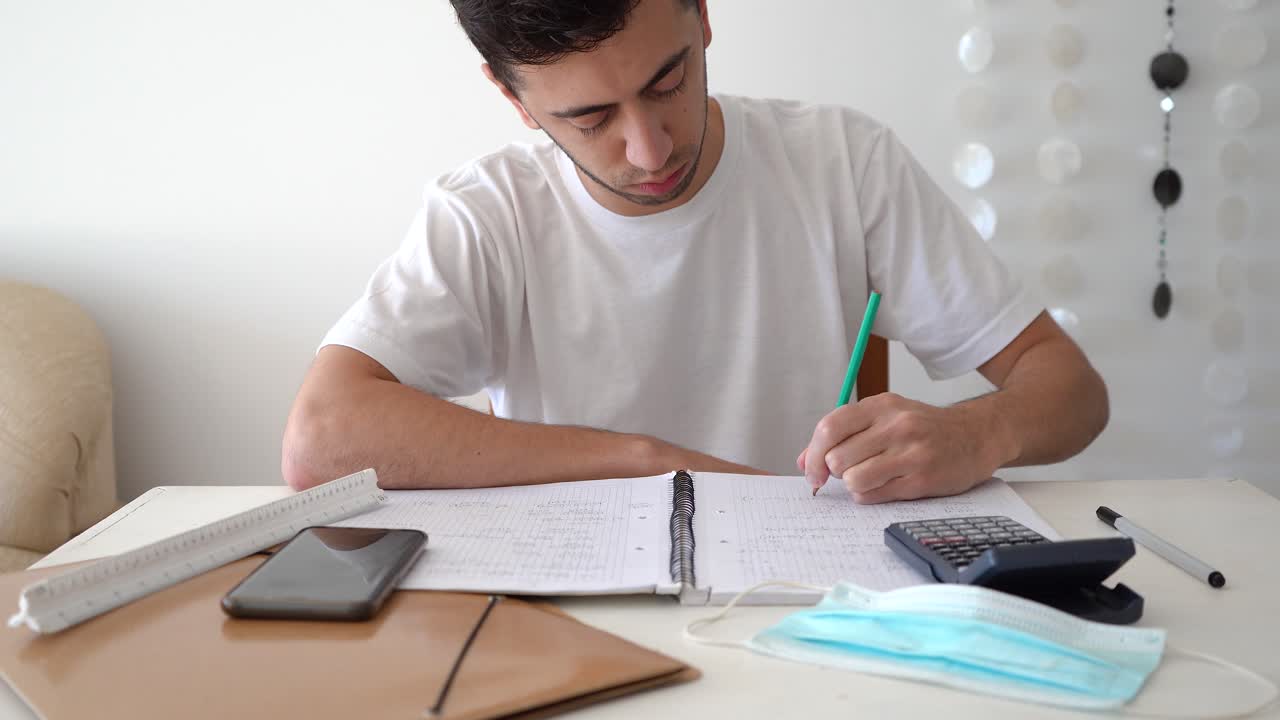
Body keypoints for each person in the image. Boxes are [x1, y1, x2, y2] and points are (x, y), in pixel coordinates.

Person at [281, 0, 1109, 503]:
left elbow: (1071, 389)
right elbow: (321, 439)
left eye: (668, 81)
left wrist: (979, 433)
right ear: (516, 100)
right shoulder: (486, 212)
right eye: (590, 117)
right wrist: (646, 461)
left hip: (804, 607)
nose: (648, 150)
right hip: (574, 626)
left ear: (704, 19)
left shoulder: (842, 161)